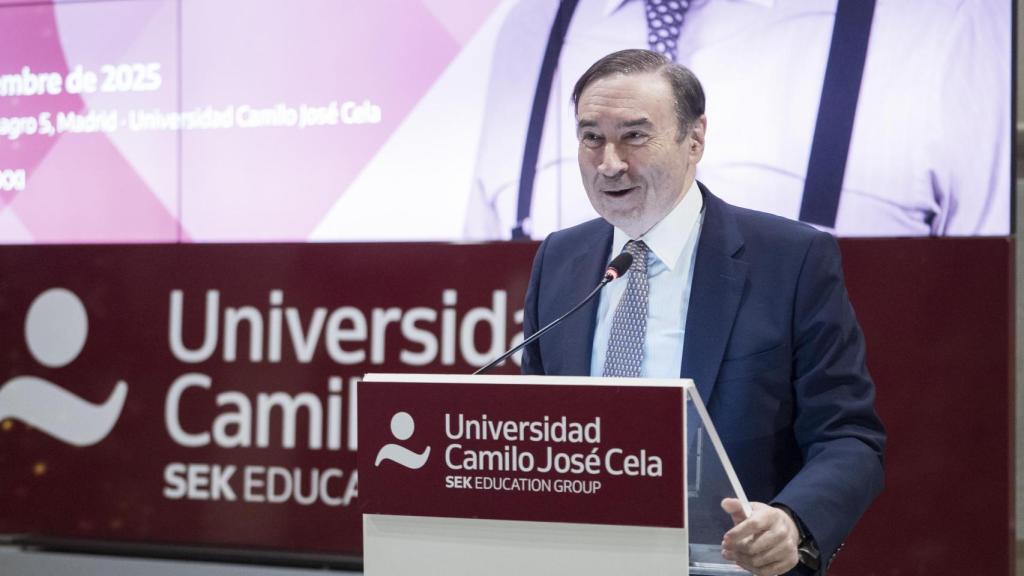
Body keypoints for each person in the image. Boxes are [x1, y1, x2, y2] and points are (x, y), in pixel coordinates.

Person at [521, 49, 886, 575]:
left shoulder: (790, 259)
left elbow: (849, 437)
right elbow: (535, 429)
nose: (609, 163)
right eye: (591, 137)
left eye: (634, 136)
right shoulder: (560, 257)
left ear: (694, 140)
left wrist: (791, 522)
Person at [466, 0, 1009, 240]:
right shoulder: (532, 31)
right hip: (586, 458)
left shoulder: (946, 24)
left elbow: (991, 322)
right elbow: (490, 287)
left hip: (828, 463)